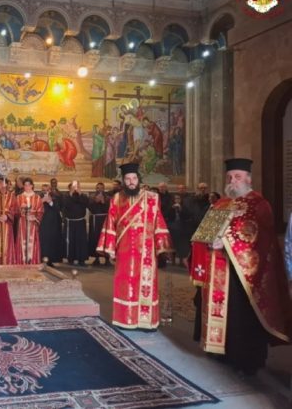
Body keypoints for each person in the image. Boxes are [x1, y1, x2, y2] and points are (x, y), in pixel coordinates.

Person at [190, 158, 292, 375]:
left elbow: (257, 235)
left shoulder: (259, 204)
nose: (232, 181)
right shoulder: (221, 203)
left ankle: (246, 360)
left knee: (242, 316)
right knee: (223, 313)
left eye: (237, 177)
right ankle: (220, 351)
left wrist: (225, 242)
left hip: (243, 276)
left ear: (248, 179)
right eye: (229, 177)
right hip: (218, 271)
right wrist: (207, 239)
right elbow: (205, 231)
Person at [97, 162, 173, 330]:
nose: (131, 182)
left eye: (134, 178)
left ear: (139, 179)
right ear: (123, 181)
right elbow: (110, 222)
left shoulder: (152, 198)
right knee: (125, 285)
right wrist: (110, 248)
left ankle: (146, 322)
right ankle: (126, 320)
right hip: (124, 250)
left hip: (146, 251)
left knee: (145, 286)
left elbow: (159, 221)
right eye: (127, 179)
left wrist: (162, 247)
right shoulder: (116, 199)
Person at [14, 178, 43, 264]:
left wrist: (35, 218)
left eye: (29, 185)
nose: (27, 187)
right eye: (25, 185)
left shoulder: (37, 198)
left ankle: (32, 261)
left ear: (32, 186)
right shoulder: (19, 197)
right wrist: (21, 209)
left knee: (32, 242)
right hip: (22, 223)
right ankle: (21, 261)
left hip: (33, 224)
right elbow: (15, 211)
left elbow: (41, 211)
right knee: (22, 242)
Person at [62, 180, 89, 265]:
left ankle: (81, 259)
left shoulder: (83, 196)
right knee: (70, 241)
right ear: (70, 188)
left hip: (80, 222)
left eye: (77, 187)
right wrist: (70, 194)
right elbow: (65, 205)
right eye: (73, 187)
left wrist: (80, 193)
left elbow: (86, 204)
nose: (75, 189)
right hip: (70, 223)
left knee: (81, 241)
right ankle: (70, 258)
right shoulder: (66, 196)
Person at [39, 183, 63, 266]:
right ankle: (41, 259)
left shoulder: (55, 197)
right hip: (42, 224)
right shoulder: (38, 198)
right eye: (43, 190)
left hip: (53, 224)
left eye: (47, 190)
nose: (45, 192)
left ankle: (50, 260)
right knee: (43, 242)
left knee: (51, 242)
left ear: (50, 190)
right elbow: (35, 208)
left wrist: (50, 202)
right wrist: (41, 202)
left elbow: (59, 209)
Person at [88, 182, 110, 266]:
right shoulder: (91, 197)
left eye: (101, 188)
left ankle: (107, 259)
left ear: (104, 189)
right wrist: (95, 202)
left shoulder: (108, 197)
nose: (99, 189)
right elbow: (90, 208)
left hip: (104, 220)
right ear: (95, 188)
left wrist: (103, 202)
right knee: (95, 239)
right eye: (98, 188)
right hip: (95, 220)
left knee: (105, 239)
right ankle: (96, 258)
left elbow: (110, 208)